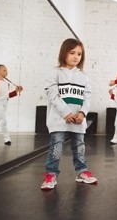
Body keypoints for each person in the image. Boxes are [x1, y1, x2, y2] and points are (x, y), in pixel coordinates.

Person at [40, 38, 97, 190]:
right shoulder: (55, 73)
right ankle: (51, 174)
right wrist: (65, 112)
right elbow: (53, 95)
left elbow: (87, 97)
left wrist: (83, 113)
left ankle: (82, 171)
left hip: (78, 121)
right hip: (59, 119)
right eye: (72, 53)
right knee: (56, 147)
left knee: (80, 147)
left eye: (79, 54)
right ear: (64, 53)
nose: (76, 56)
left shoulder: (84, 76)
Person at [0, 64, 23, 145]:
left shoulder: (6, 83)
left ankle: (7, 138)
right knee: (3, 121)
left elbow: (7, 95)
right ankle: (7, 139)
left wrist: (16, 91)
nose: (6, 72)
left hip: (4, 104)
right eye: (4, 70)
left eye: (6, 70)